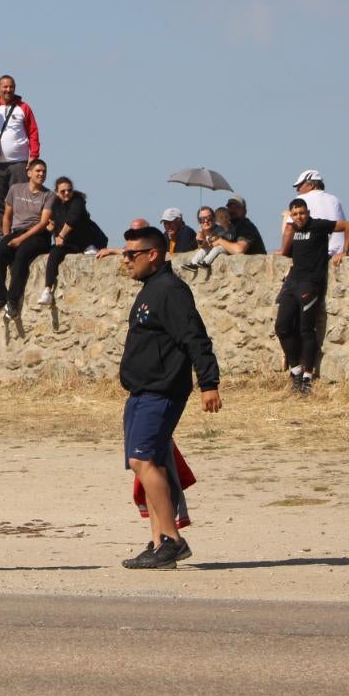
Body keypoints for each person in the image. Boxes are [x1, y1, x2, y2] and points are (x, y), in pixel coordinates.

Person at [115, 226, 222, 570]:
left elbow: (195, 337)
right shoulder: (150, 289)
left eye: (132, 254)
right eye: (124, 253)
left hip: (161, 392)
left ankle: (173, 540)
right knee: (150, 465)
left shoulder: (171, 291)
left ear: (153, 254)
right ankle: (160, 542)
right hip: (141, 392)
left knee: (143, 463)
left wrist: (209, 382)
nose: (126, 260)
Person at [275, 197, 349, 394]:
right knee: (282, 326)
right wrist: (287, 230)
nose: (299, 217)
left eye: (302, 213)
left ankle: (307, 378)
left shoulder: (319, 225)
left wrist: (345, 252)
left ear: (308, 212)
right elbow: (285, 253)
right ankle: (295, 370)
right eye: (295, 214)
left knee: (306, 329)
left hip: (311, 283)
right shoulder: (293, 229)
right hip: (292, 281)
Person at [0, 159, 53, 319]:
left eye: (44, 171)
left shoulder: (49, 195)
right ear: (29, 172)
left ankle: (13, 301)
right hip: (17, 232)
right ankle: (0, 298)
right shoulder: (15, 190)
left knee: (22, 255)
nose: (41, 174)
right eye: (38, 170)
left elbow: (44, 223)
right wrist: (6, 237)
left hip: (38, 235)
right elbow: (7, 216)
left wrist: (20, 239)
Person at [0, 75, 41, 241]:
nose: (8, 90)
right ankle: (3, 235)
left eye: (11, 87)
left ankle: (20, 234)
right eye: (5, 87)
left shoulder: (23, 107)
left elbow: (33, 132)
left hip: (19, 162)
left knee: (20, 200)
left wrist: (34, 157)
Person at [41, 177, 109, 300]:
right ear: (57, 192)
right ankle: (47, 290)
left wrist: (60, 236)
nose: (67, 193)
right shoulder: (55, 204)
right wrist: (51, 229)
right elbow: (55, 222)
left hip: (85, 241)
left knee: (90, 254)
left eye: (69, 190)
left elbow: (72, 219)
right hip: (68, 243)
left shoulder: (78, 201)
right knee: (54, 254)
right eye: (63, 191)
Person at [291, 169, 347, 254]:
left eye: (300, 186)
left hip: (317, 253)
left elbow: (289, 229)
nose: (298, 190)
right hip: (337, 252)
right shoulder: (334, 199)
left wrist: (284, 251)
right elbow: (347, 226)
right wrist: (345, 252)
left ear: (311, 185)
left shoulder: (301, 200)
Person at [182, 206, 225, 272]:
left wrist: (205, 242)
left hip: (221, 250)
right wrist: (199, 242)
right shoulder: (200, 234)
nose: (206, 221)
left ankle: (206, 263)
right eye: (202, 219)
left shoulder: (220, 230)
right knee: (203, 250)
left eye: (209, 218)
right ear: (199, 222)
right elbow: (186, 250)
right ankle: (193, 264)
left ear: (214, 218)